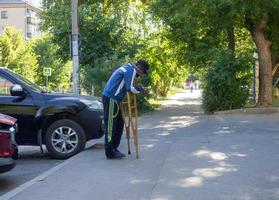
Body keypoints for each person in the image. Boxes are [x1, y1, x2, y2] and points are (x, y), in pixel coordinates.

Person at [102, 59, 149, 159]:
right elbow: (129, 88)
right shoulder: (131, 70)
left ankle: (114, 148)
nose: (141, 75)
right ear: (140, 68)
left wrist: (137, 87)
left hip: (113, 99)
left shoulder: (128, 68)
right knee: (110, 127)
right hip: (111, 99)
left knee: (119, 123)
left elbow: (127, 85)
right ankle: (110, 152)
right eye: (142, 73)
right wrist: (141, 89)